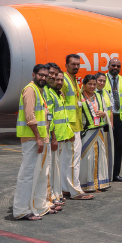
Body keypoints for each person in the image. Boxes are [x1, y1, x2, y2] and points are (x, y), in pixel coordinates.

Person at [14, 64, 55, 220]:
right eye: (40, 75)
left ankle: (39, 205)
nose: (43, 78)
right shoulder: (30, 90)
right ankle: (21, 210)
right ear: (34, 74)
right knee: (28, 175)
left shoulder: (40, 91)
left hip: (41, 138)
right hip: (32, 138)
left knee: (41, 174)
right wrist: (38, 137)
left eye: (45, 75)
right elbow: (30, 117)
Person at [60, 54, 87, 199]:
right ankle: (76, 191)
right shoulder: (64, 81)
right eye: (73, 64)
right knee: (73, 161)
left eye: (78, 64)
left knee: (67, 160)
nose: (76, 66)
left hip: (75, 125)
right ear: (66, 64)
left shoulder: (74, 81)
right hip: (70, 127)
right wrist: (67, 127)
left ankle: (66, 188)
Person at [79, 74, 111, 192]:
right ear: (84, 84)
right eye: (90, 84)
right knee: (88, 158)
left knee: (100, 157)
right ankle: (87, 184)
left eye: (94, 84)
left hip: (99, 131)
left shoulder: (99, 96)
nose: (92, 86)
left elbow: (106, 111)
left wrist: (104, 114)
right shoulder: (80, 97)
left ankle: (99, 183)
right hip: (86, 132)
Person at [45, 65, 71, 207]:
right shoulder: (49, 93)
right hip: (54, 137)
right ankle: (52, 196)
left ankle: (57, 193)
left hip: (61, 136)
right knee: (52, 169)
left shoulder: (58, 93)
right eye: (56, 78)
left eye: (61, 79)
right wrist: (54, 138)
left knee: (57, 168)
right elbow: (51, 118)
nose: (59, 81)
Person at [104, 58, 122, 182]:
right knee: (106, 146)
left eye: (118, 66)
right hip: (107, 117)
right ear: (108, 66)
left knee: (119, 147)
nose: (115, 68)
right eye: (113, 65)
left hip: (120, 117)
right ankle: (106, 173)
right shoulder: (102, 78)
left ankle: (116, 174)